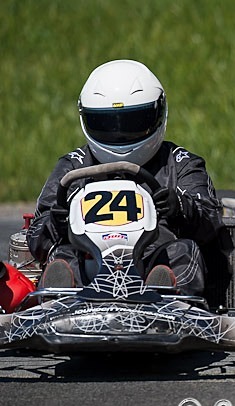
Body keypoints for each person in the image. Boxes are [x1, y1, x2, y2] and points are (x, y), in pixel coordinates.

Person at [27, 59, 224, 296]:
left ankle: (164, 296)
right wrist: (55, 223)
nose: (120, 134)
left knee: (184, 250)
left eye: (133, 122)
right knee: (63, 254)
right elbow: (36, 238)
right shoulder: (73, 166)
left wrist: (181, 208)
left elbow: (212, 222)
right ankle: (60, 299)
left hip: (154, 258)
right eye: (107, 124)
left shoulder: (180, 163)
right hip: (90, 264)